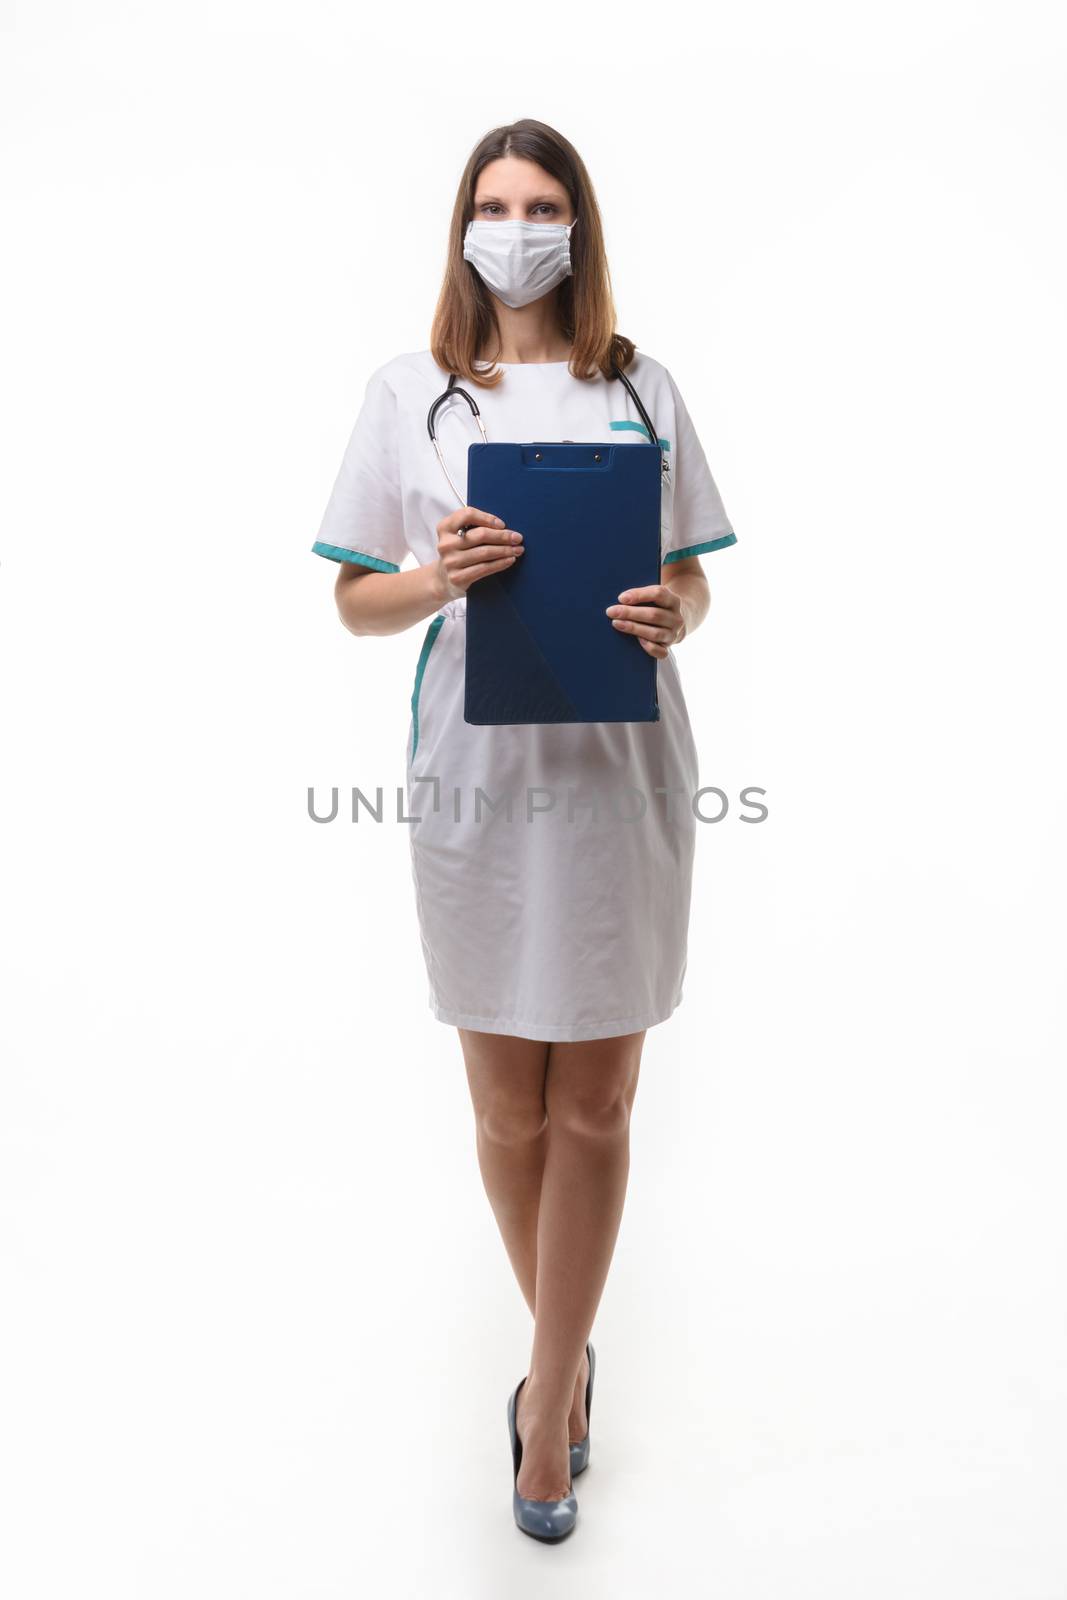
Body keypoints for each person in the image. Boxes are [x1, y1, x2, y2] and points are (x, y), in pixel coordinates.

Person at [311, 119, 738, 1541]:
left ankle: (546, 1408)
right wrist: (436, 576)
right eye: (495, 204)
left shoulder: (640, 389)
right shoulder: (413, 393)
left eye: (544, 202)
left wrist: (679, 610)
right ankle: (565, 1366)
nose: (518, 227)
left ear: (581, 223)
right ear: (462, 225)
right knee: (508, 1109)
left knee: (598, 1103)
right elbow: (353, 600)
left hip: (620, 771)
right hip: (478, 785)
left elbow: (695, 578)